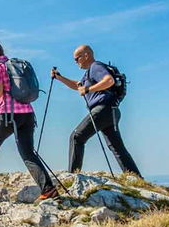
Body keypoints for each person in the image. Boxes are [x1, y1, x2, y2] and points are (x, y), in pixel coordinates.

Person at [0, 39, 59, 200]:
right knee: (28, 153)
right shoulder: (13, 64)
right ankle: (49, 190)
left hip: (8, 114)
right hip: (28, 114)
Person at [50, 45, 142, 177]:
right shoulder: (89, 73)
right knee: (117, 148)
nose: (76, 62)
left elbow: (108, 81)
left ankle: (73, 175)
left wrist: (88, 90)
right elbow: (78, 85)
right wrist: (60, 77)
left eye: (77, 58)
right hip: (112, 111)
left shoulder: (96, 67)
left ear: (86, 55)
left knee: (76, 137)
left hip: (102, 109)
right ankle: (136, 177)